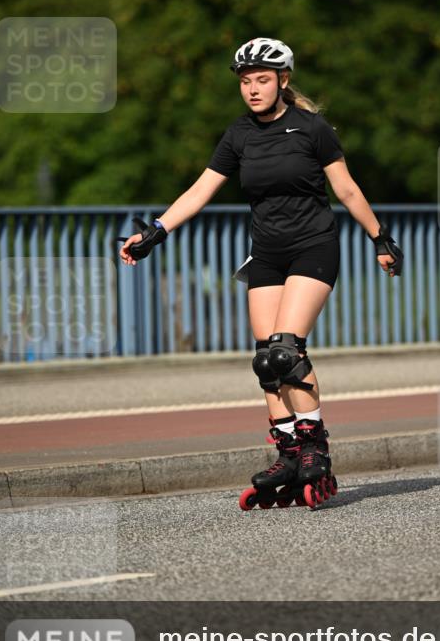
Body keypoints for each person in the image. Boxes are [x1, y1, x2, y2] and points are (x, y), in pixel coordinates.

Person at [118, 36, 403, 509]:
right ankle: (289, 456)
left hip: (314, 246)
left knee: (287, 352)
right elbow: (201, 189)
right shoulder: (239, 134)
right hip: (266, 254)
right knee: (265, 364)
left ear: (283, 81)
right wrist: (155, 231)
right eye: (246, 81)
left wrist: (380, 239)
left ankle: (316, 450)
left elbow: (348, 190)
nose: (253, 89)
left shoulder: (312, 129)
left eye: (262, 80)